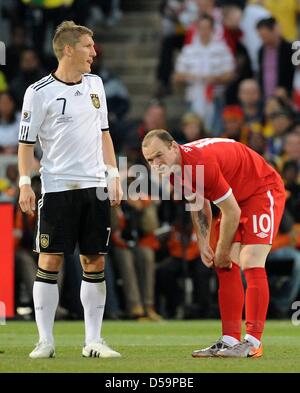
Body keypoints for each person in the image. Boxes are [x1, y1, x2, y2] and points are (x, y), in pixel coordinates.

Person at [18, 21, 123, 359]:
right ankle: (45, 341)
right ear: (68, 49)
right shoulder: (39, 92)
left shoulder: (96, 84)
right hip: (58, 186)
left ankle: (93, 341)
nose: (94, 52)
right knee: (50, 260)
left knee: (94, 261)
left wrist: (114, 173)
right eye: (88, 46)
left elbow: (105, 132)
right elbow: (25, 144)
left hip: (95, 186)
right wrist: (24, 183)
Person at [142, 129, 285, 358]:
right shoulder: (173, 170)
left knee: (250, 260)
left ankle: (253, 342)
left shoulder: (200, 163)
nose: (155, 164)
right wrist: (203, 243)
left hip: (261, 189)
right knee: (224, 264)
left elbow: (231, 211)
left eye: (159, 155)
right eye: (149, 160)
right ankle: (229, 340)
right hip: (235, 199)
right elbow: (199, 205)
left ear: (173, 147)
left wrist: (221, 249)